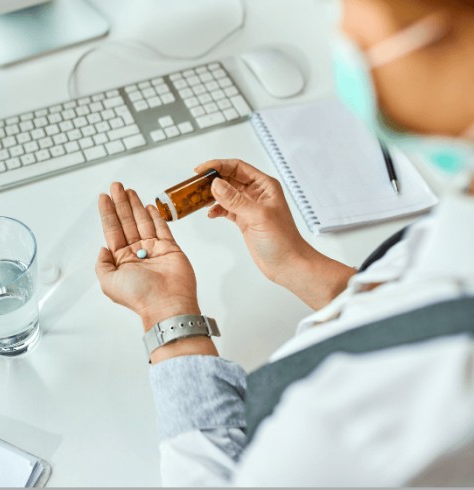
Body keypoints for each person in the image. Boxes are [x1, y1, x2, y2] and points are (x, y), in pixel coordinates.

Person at [95, 0, 474, 485]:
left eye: (361, 13)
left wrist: (168, 318)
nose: (344, 33)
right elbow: (418, 303)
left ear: (447, 38)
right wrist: (295, 262)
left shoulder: (359, 419)